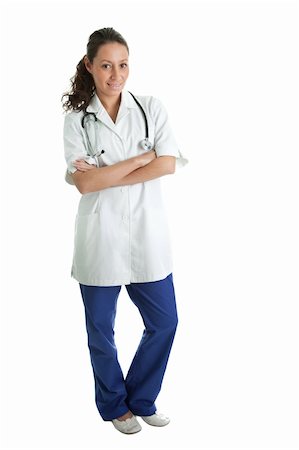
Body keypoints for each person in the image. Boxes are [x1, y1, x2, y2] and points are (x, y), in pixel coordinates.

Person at [61, 27, 188, 434]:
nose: (116, 74)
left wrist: (107, 174)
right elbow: (83, 184)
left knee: (165, 321)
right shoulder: (77, 120)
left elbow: (167, 164)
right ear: (90, 67)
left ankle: (142, 398)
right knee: (101, 332)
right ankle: (115, 406)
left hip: (147, 238)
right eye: (106, 65)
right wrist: (141, 159)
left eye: (123, 64)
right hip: (100, 240)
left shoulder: (151, 108)